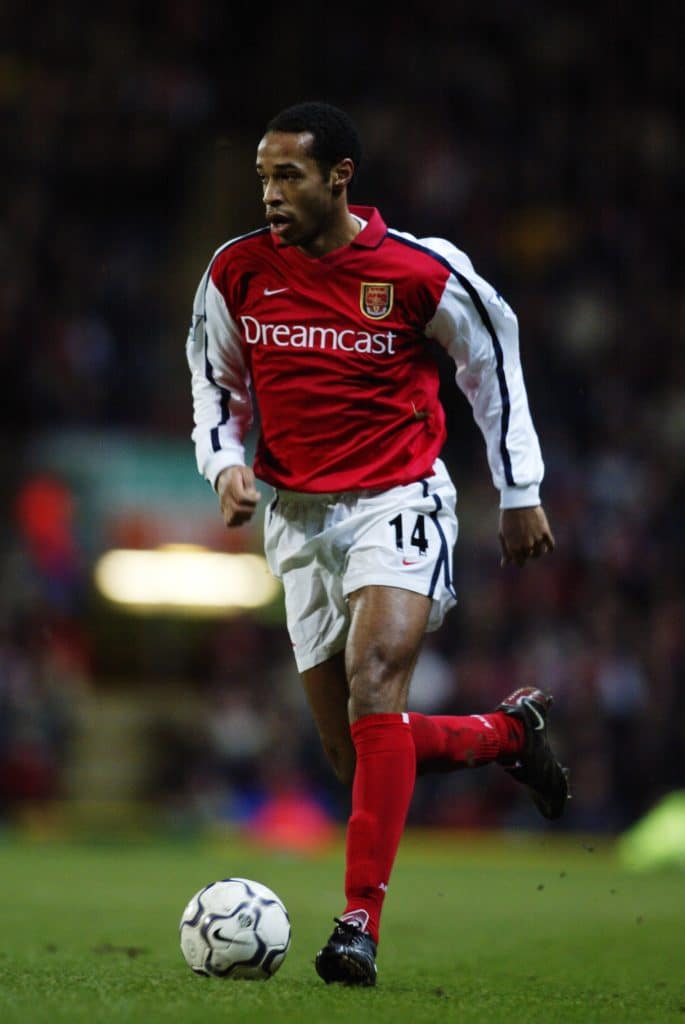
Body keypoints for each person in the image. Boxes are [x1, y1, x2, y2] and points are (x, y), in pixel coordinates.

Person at [186, 101, 569, 986]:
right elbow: (214, 383)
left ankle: (357, 923)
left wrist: (520, 490)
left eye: (288, 176)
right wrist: (222, 464)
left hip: (397, 496)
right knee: (356, 753)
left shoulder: (418, 270)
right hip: (293, 513)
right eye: (261, 177)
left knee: (374, 683)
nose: (271, 194)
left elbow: (492, 362)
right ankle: (504, 735)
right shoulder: (237, 271)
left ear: (339, 178)